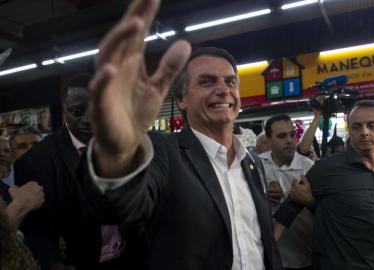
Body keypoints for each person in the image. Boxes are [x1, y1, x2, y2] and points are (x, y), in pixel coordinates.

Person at [80, 1, 283, 269]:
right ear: (182, 99)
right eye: (207, 81)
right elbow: (117, 207)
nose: (223, 89)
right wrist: (116, 155)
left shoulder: (253, 162)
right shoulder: (163, 152)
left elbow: (262, 242)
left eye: (230, 81)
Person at [275, 100, 374, 270]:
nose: (364, 132)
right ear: (349, 130)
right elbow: (290, 207)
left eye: (371, 125)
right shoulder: (327, 168)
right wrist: (266, 253)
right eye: (357, 127)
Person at [14, 74, 106, 270]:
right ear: (65, 111)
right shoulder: (36, 162)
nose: (87, 120)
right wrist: (54, 264)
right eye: (78, 111)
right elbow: (35, 230)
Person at [259, 114, 314, 270]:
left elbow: (324, 209)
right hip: (271, 256)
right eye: (282, 136)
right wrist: (263, 194)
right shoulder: (257, 165)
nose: (289, 140)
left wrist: (308, 199)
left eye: (292, 134)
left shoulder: (308, 167)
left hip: (305, 255)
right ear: (268, 141)